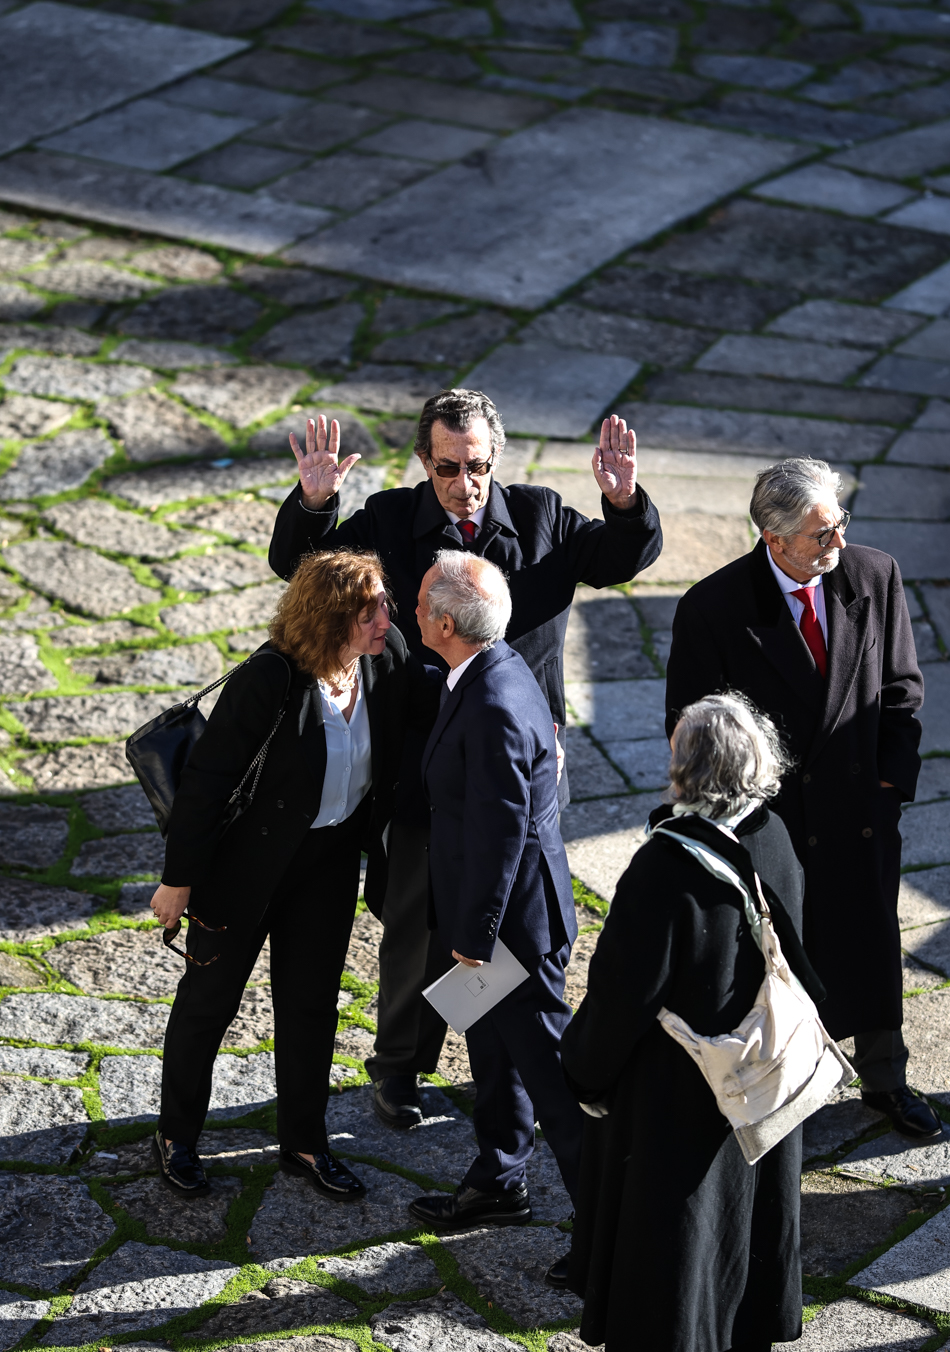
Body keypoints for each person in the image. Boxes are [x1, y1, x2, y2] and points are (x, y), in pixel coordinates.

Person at [269, 390, 662, 1135]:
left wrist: (623, 502)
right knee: (417, 922)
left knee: (517, 918)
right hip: (424, 763)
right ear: (425, 460)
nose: (464, 483)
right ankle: (399, 1067)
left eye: (477, 466)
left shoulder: (541, 517)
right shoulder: (389, 520)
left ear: (495, 459)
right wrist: (314, 504)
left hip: (522, 762)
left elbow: (620, 559)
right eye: (448, 467)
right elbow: (304, 571)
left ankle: (513, 1074)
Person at [557, 694, 814, 1352]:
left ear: (687, 769)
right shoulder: (772, 836)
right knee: (745, 1227)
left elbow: (621, 995)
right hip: (758, 1078)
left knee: (663, 1240)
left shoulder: (665, 866)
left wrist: (584, 1074)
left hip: (677, 1090)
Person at [150, 549, 436, 1200]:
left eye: (384, 606)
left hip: (327, 863)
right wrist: (178, 879)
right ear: (331, 618)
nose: (385, 620)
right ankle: (176, 1136)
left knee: (311, 1006)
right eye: (369, 612)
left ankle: (305, 1143)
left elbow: (433, 711)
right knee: (209, 1004)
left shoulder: (385, 657)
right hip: (243, 868)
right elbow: (206, 782)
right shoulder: (270, 678)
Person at [664, 458, 936, 1142]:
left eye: (839, 524)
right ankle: (789, 1089)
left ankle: (885, 1079)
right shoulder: (713, 608)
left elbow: (901, 690)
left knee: (871, 945)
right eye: (821, 534)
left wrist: (887, 786)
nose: (837, 542)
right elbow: (692, 728)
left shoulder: (873, 575)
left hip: (860, 812)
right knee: (780, 960)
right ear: (773, 537)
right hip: (773, 825)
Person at [405, 551, 582, 1268]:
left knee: (555, 1085)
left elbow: (501, 831)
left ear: (446, 625)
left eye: (421, 601)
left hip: (514, 929)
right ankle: (498, 1183)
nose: (412, 609)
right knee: (494, 1056)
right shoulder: (490, 670)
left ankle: (606, 1230)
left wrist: (475, 936)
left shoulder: (492, 702)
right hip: (496, 919)